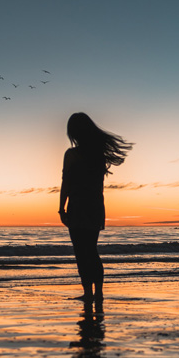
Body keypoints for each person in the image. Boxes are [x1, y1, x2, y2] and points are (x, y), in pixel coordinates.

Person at [59, 113, 132, 303]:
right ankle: (98, 292)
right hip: (95, 207)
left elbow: (66, 182)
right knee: (91, 250)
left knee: (81, 252)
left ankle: (88, 293)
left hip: (78, 206)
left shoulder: (72, 154)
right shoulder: (97, 156)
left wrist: (61, 208)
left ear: (73, 132)